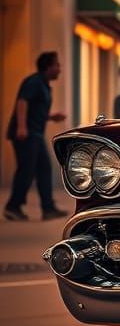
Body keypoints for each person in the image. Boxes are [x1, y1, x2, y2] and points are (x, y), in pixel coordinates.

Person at [4, 52, 68, 221]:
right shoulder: (34, 82)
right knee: (27, 170)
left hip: (35, 134)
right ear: (48, 66)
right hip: (27, 134)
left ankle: (48, 208)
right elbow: (22, 102)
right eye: (57, 65)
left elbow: (35, 110)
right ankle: (13, 207)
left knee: (44, 168)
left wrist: (51, 117)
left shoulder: (44, 85)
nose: (59, 69)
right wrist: (22, 127)